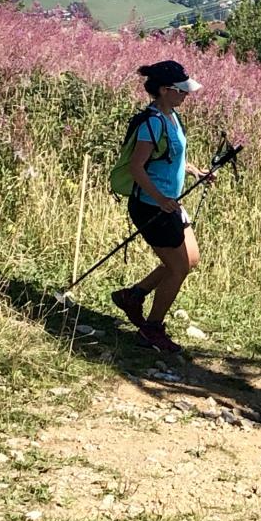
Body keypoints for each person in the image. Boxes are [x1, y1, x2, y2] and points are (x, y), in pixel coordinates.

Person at [110, 59, 212, 354]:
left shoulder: (173, 118)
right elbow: (137, 167)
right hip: (152, 206)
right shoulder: (152, 123)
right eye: (182, 91)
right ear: (166, 90)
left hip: (169, 204)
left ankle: (134, 295)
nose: (186, 95)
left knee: (190, 260)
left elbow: (171, 158)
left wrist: (196, 171)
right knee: (178, 268)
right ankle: (151, 329)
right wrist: (160, 199)